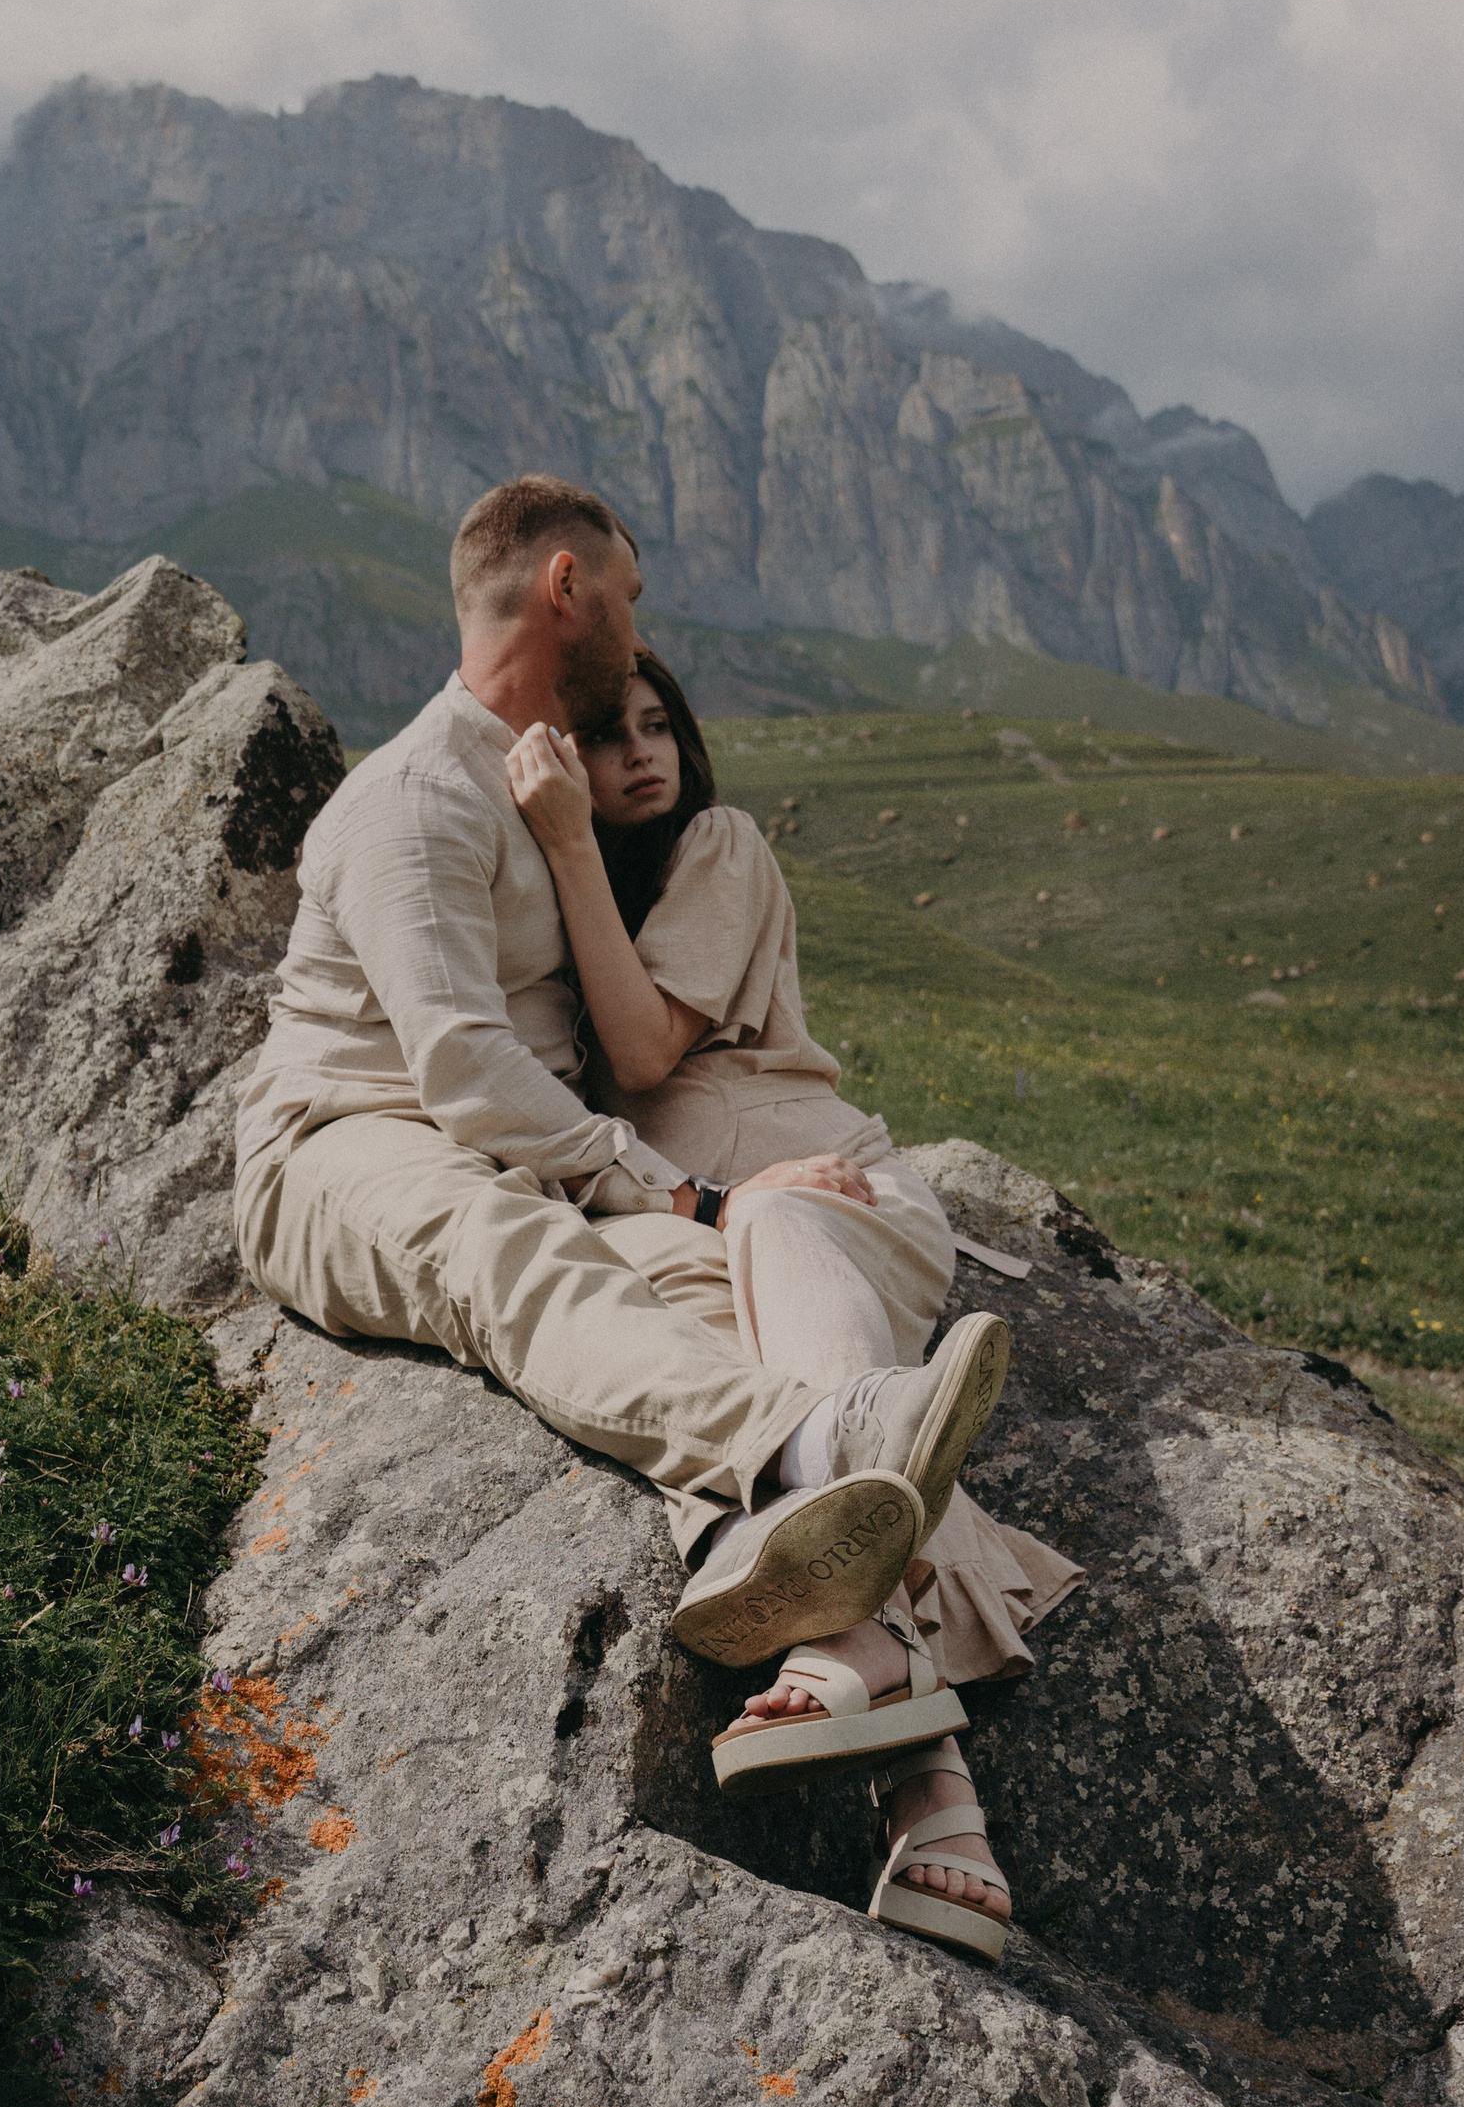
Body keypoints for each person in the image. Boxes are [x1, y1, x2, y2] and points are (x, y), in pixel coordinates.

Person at [232, 473, 1012, 1681]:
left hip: (532, 1161)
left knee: (718, 1292)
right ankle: (827, 1437)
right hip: (348, 1140)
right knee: (496, 1243)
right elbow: (463, 1069)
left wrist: (686, 1216)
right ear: (565, 587)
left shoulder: (539, 792)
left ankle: (854, 1677)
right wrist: (684, 1189)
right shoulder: (413, 795)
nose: (641, 638)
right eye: (629, 600)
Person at [503, 650, 1082, 1963]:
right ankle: (932, 1803)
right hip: (678, 1227)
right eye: (606, 735)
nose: (643, 750)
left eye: (660, 726)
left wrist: (568, 837)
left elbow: (649, 1049)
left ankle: (882, 1636)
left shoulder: (718, 843)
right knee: (733, 1419)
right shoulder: (536, 918)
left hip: (832, 1199)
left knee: (772, 1220)